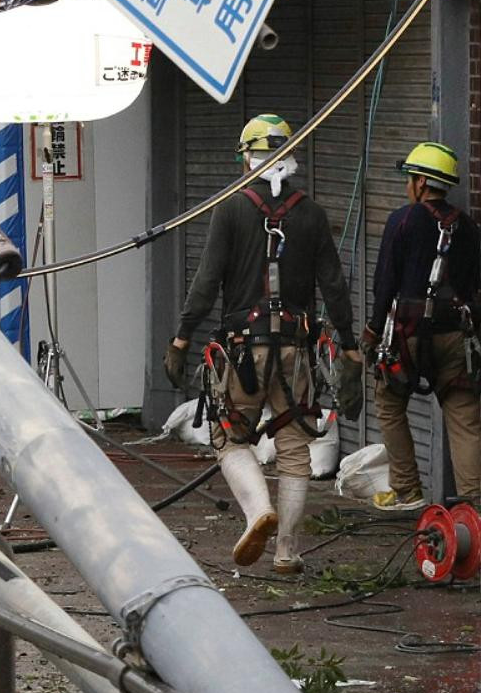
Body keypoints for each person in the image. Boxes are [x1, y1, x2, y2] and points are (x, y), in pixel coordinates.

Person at [163, 114, 363, 573]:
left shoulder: (231, 209)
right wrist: (350, 348)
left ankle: (258, 513)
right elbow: (334, 286)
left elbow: (208, 281)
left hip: (243, 352)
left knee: (229, 438)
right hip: (296, 353)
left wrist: (181, 337)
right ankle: (287, 551)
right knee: (295, 448)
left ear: (246, 157)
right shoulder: (311, 214)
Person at [361, 142, 480, 510]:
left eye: (409, 179)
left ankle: (406, 488)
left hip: (407, 337)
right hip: (454, 337)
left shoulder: (403, 220)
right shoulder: (469, 226)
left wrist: (371, 330)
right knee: (464, 417)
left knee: (389, 400)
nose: (407, 186)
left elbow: (385, 283)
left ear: (421, 182)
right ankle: (474, 508)